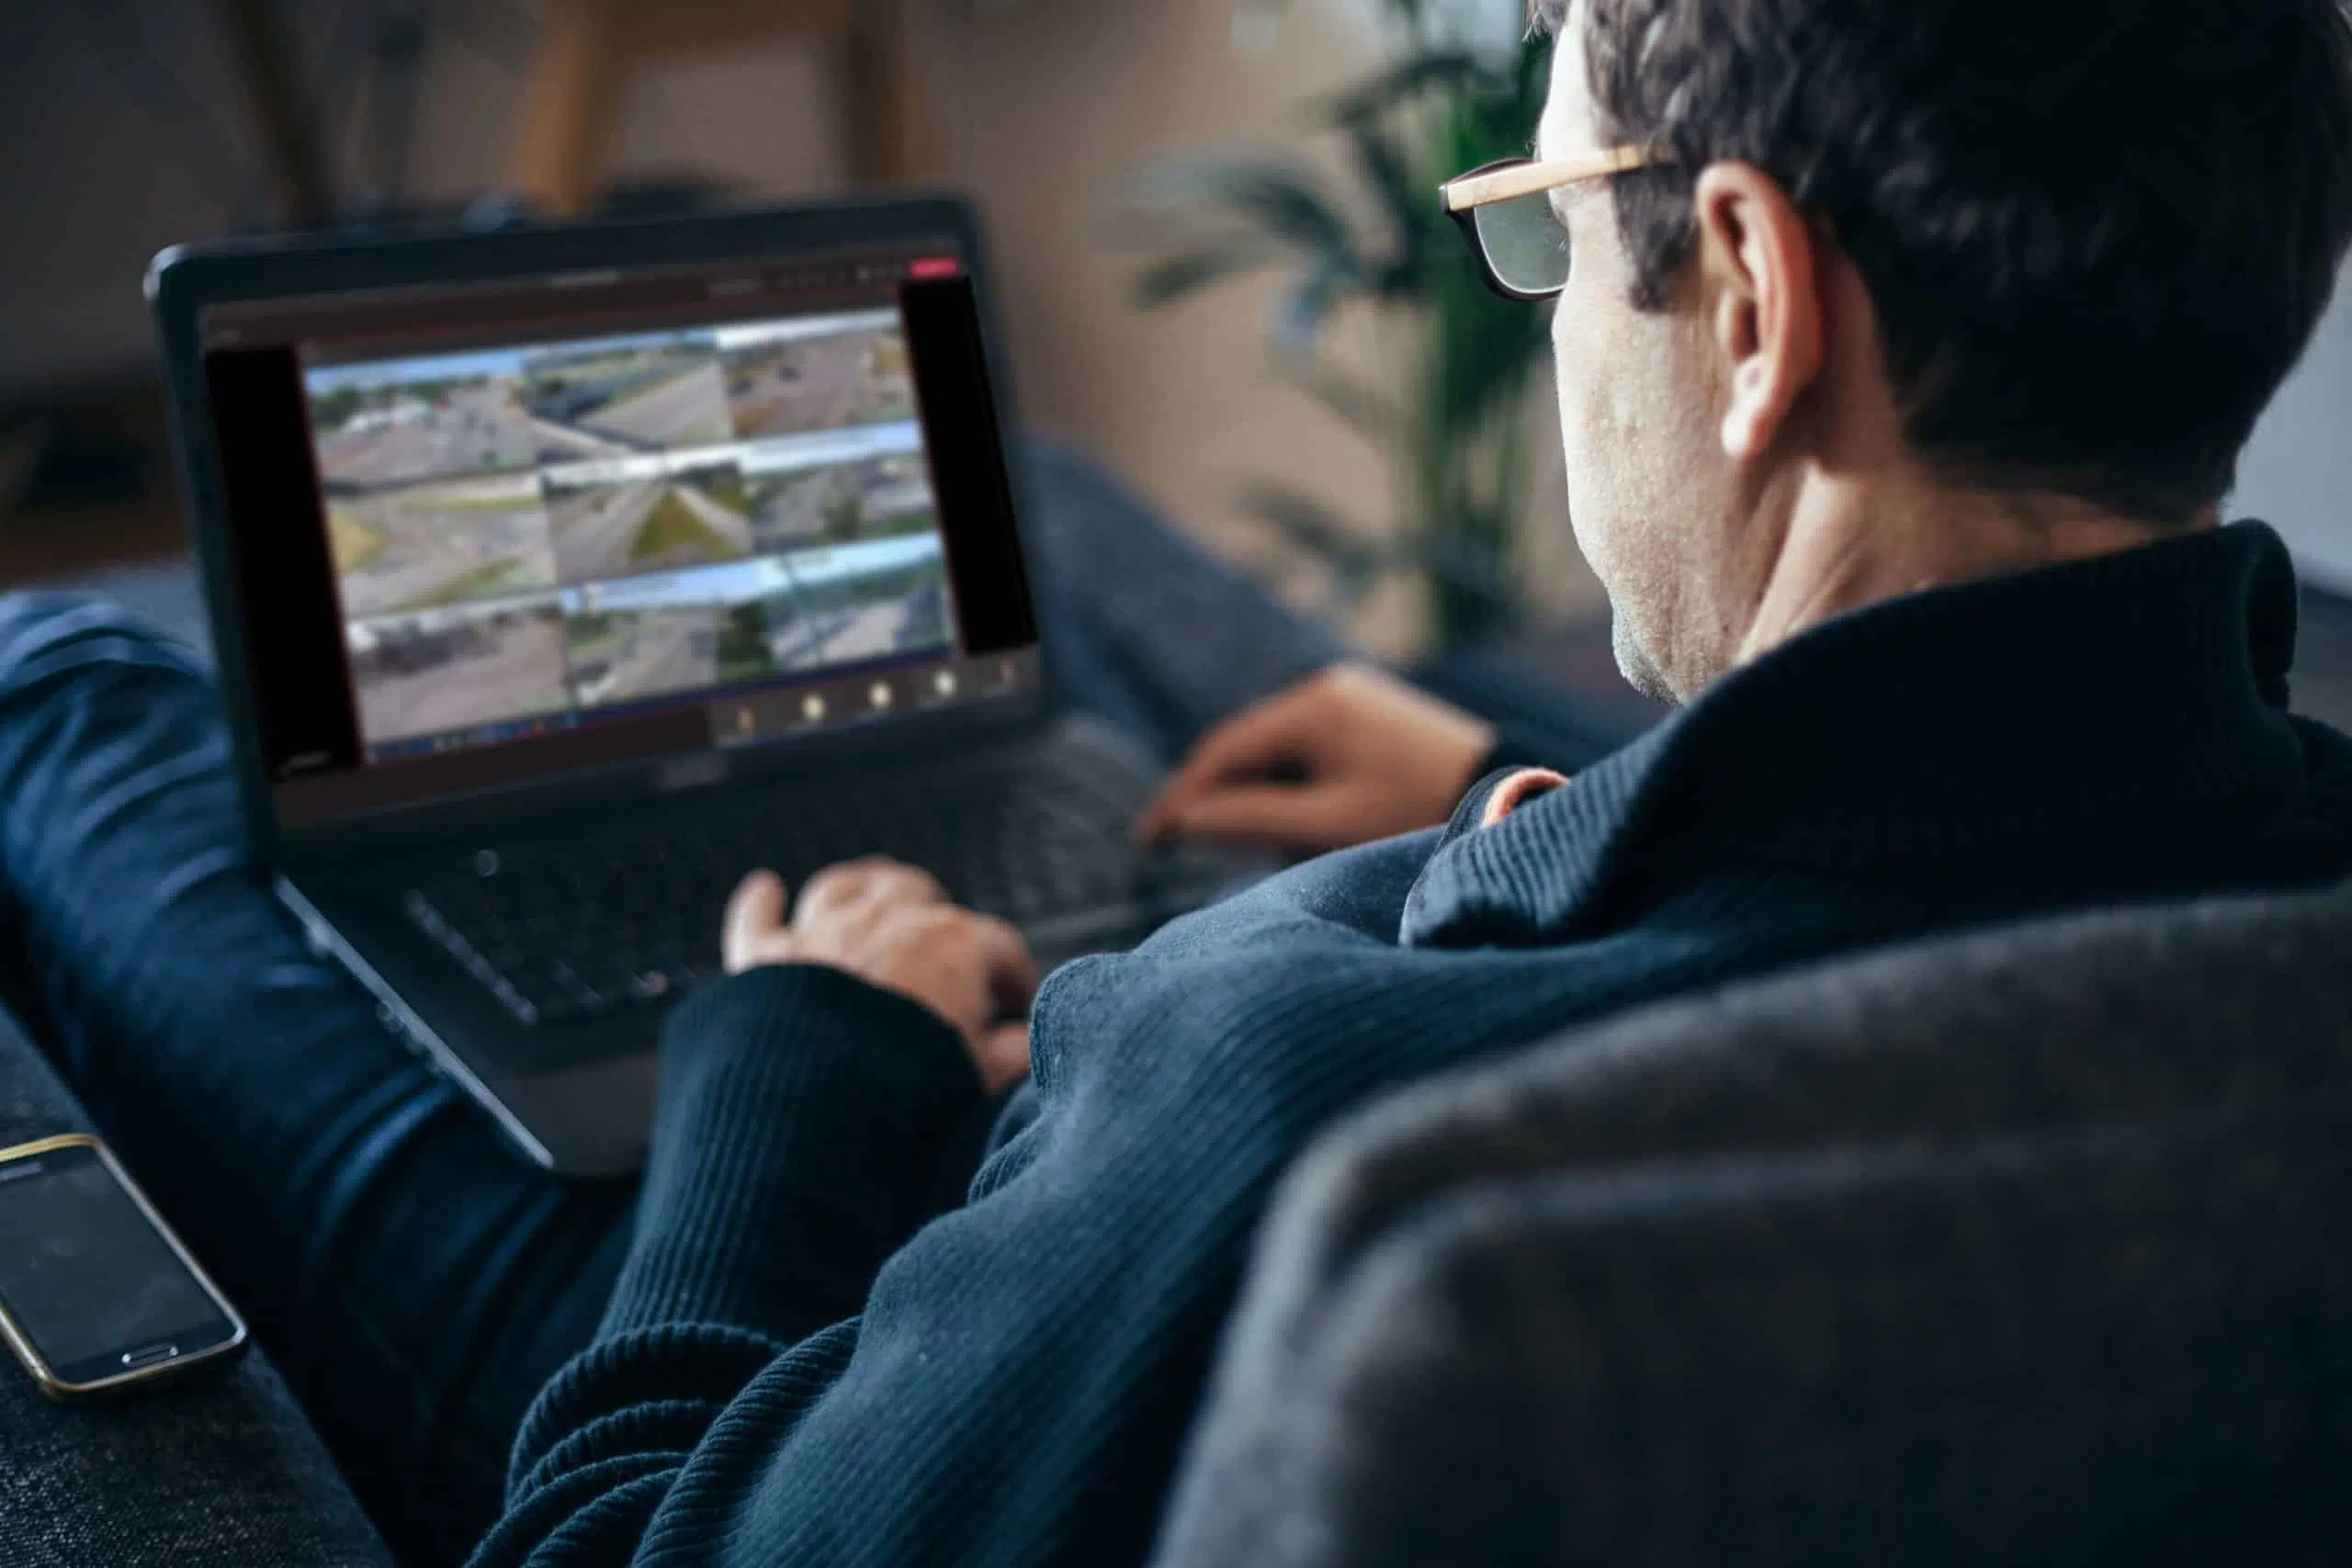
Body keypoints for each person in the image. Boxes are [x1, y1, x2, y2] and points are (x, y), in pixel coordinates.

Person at [4, 0, 2351, 1562]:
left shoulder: (1283, 1085)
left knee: (61, 696)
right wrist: (1578, 808)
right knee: (1036, 502)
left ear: (1742, 295)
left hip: (776, 1339)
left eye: (1540, 236)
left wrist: (792, 1069)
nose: (1554, 341)